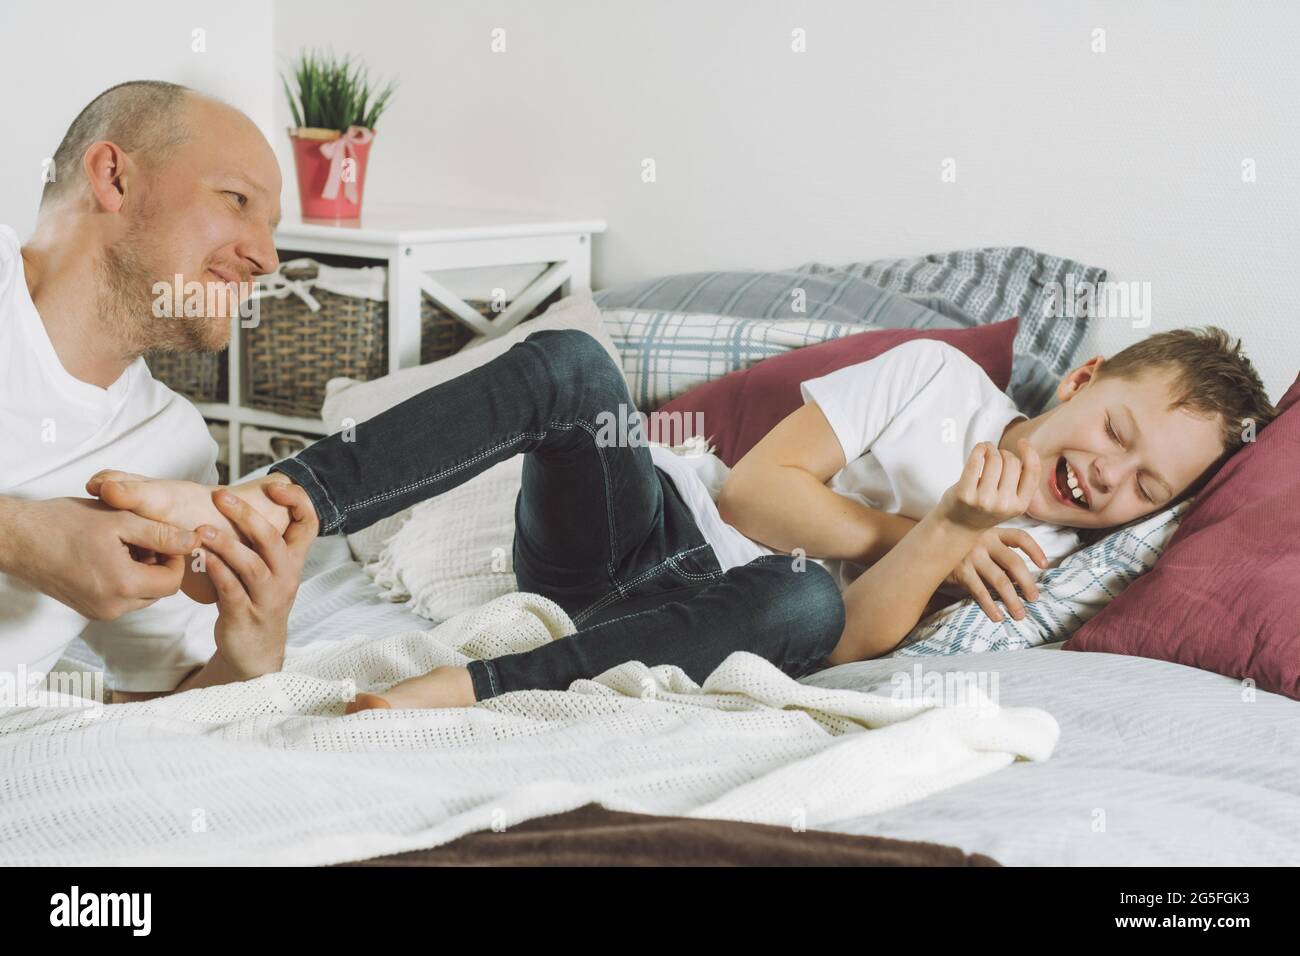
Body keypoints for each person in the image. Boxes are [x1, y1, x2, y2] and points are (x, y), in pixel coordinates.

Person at [88, 322, 1276, 712]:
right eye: (1115, 435)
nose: (1106, 481)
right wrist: (937, 523)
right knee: (572, 364)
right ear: (1080, 382)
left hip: (728, 622)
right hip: (639, 542)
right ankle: (264, 497)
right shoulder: (934, 380)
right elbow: (757, 490)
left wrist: (950, 537)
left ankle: (477, 691)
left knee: (801, 592)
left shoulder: (1057, 556)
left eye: (1146, 487)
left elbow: (849, 636)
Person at [0, 80, 316, 702]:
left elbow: (161, 703)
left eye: (271, 226)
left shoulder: (169, 449)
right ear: (113, 177)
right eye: (237, 199)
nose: (268, 257)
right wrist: (18, 536)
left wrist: (250, 649)